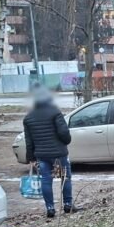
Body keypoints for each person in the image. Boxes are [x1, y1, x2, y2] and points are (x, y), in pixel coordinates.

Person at [23, 84, 73, 218]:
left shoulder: (28, 118)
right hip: (59, 155)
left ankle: (50, 208)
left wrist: (31, 158)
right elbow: (63, 132)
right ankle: (68, 205)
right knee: (65, 178)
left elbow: (29, 141)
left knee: (46, 181)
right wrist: (66, 141)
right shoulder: (55, 112)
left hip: (42, 156)